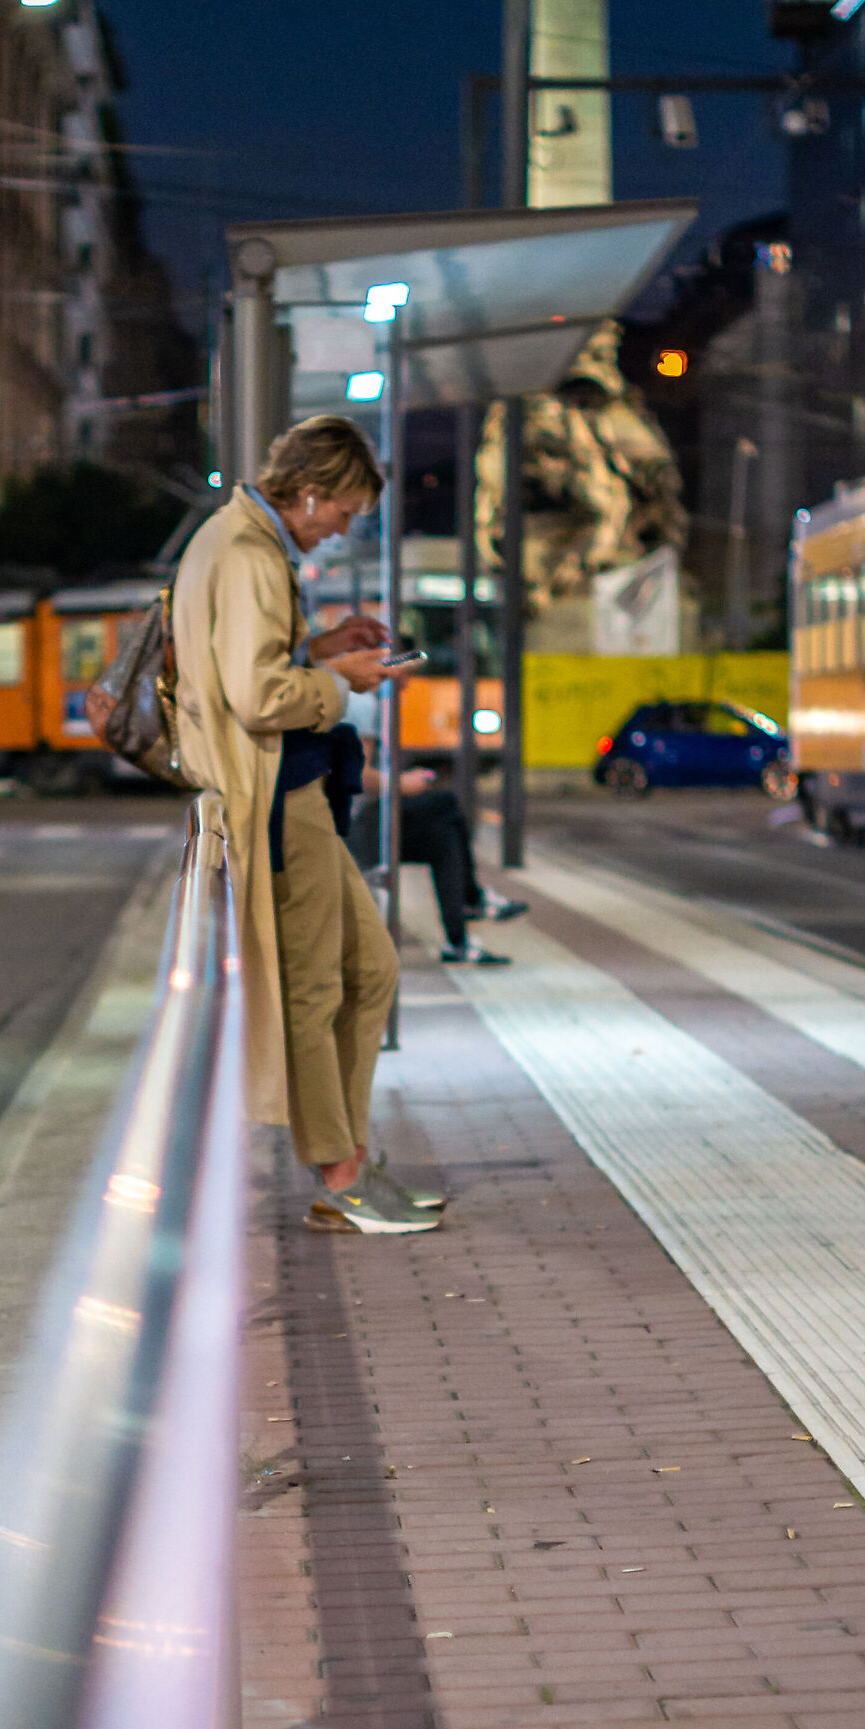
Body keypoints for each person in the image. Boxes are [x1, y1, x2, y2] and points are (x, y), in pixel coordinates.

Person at [174, 414, 440, 1236]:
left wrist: (323, 645)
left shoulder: (239, 541)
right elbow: (257, 697)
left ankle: (349, 1155)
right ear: (312, 490)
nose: (344, 526)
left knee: (373, 971)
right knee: (322, 986)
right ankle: (340, 1173)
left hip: (297, 798)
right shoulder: (251, 555)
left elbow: (249, 664)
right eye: (346, 509)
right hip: (277, 803)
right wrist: (343, 682)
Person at [343, 689, 527, 962]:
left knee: (443, 836)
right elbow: (355, 773)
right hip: (358, 827)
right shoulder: (361, 702)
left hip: (364, 821)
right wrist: (401, 783)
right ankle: (472, 901)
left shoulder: (364, 699)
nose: (408, 680)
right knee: (445, 803)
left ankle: (458, 940)